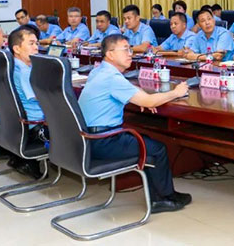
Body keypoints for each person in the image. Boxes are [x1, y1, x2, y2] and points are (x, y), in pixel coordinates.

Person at [78, 34, 191, 213]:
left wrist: (143, 98)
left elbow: (131, 90)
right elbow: (149, 101)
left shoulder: (99, 71)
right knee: (157, 149)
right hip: (104, 141)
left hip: (89, 139)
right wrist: (176, 93)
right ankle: (162, 199)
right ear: (110, 54)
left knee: (146, 140)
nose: (130, 54)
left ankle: (164, 194)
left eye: (130, 49)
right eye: (125, 50)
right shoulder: (112, 78)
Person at [9, 28, 47, 178]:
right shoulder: (24, 72)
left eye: (37, 43)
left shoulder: (12, 65)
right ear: (17, 49)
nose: (36, 47)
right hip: (36, 126)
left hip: (18, 124)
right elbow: (41, 97)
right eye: (31, 44)